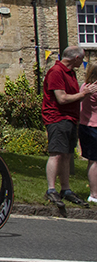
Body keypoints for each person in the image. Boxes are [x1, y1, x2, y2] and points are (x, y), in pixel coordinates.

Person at [41, 45, 96, 212]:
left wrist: (82, 95)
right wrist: (84, 94)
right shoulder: (56, 72)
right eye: (83, 58)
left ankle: (65, 189)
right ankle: (51, 189)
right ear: (76, 58)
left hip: (70, 119)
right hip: (57, 118)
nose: (83, 61)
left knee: (66, 155)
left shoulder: (70, 73)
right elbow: (62, 98)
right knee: (56, 153)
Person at [77, 61, 97, 206]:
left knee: (92, 161)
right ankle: (94, 194)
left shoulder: (84, 87)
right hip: (94, 127)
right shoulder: (95, 89)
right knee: (94, 161)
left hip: (85, 126)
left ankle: (94, 193)